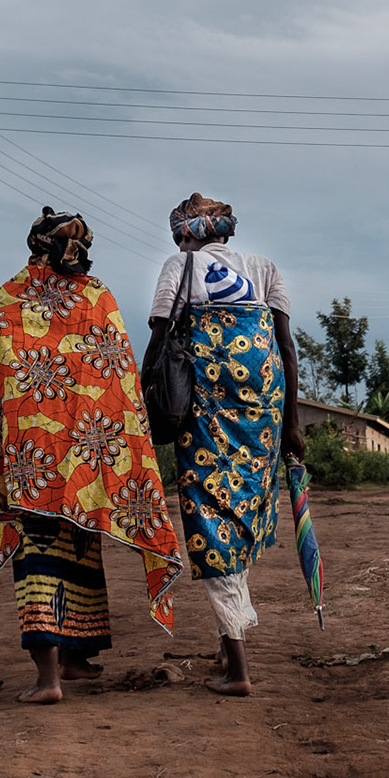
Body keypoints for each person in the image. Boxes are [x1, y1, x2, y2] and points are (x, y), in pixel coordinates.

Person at [0, 208, 184, 705]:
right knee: (79, 550)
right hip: (88, 454)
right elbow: (117, 378)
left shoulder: (9, 299)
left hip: (32, 460)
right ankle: (70, 665)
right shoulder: (97, 296)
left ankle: (55, 677)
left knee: (41, 560)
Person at [144, 193, 306, 697]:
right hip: (263, 413)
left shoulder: (179, 267)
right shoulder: (264, 267)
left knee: (210, 521)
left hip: (206, 414)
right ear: (226, 232)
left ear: (185, 233)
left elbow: (157, 346)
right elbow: (286, 348)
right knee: (243, 515)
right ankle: (227, 641)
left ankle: (237, 669)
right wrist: (293, 423)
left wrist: (142, 409)